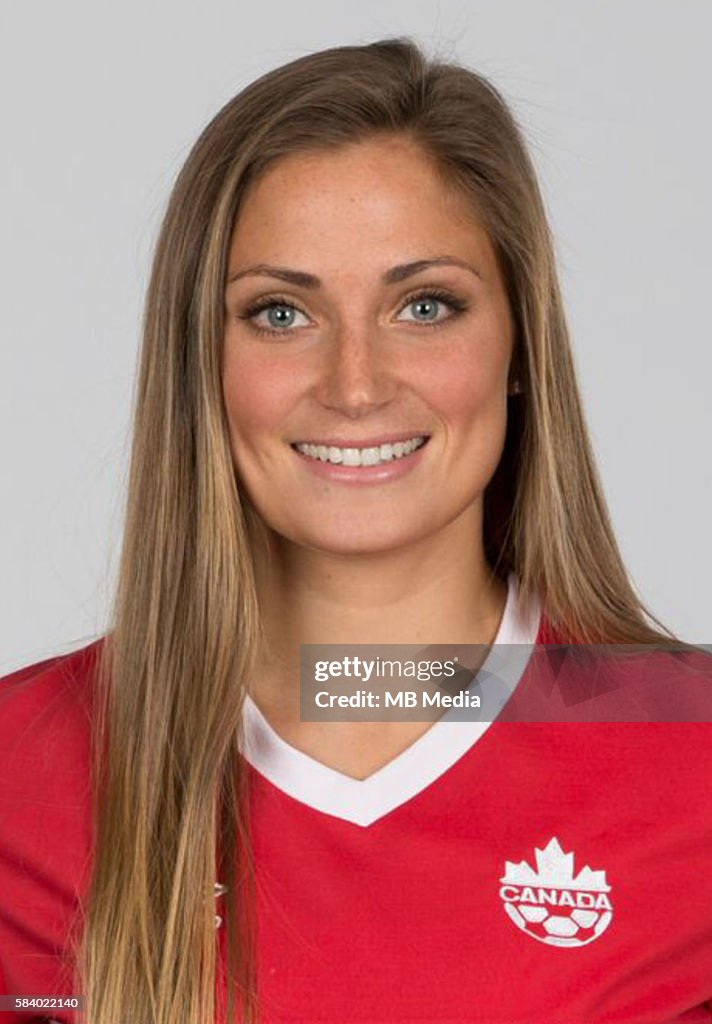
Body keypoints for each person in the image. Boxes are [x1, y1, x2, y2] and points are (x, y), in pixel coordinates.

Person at [1, 35, 711, 1024]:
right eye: (280, 314)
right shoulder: (16, 775)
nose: (356, 383)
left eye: (424, 305)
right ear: (199, 358)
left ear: (519, 344)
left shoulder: (694, 764)